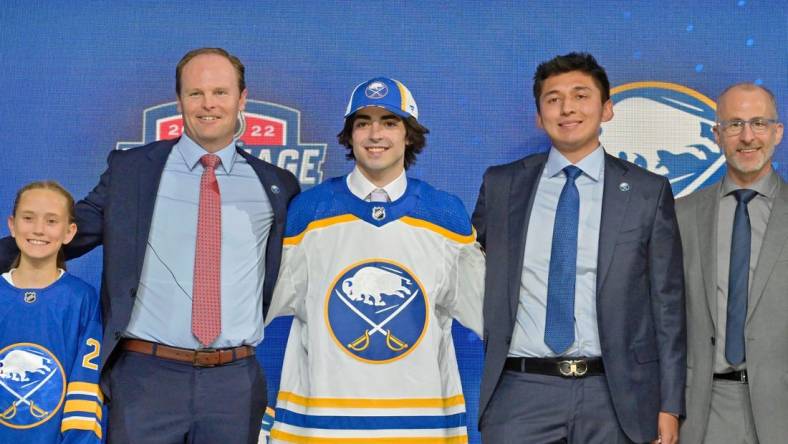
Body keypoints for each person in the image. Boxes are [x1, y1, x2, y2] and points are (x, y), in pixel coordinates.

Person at [1, 48, 300, 444]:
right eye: (195, 93)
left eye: (220, 92)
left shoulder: (277, 185)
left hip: (234, 383)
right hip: (145, 380)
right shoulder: (131, 171)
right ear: (180, 101)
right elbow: (62, 234)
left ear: (242, 98)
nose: (208, 104)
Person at [473, 52, 686, 444]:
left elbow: (668, 308)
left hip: (614, 394)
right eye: (553, 99)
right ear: (539, 116)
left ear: (607, 109)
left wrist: (670, 405)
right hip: (520, 391)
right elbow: (463, 268)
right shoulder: (502, 186)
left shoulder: (645, 192)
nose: (566, 108)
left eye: (580, 96)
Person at [264, 77, 485, 442]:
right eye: (362, 123)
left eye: (389, 122)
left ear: (409, 134)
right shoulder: (309, 212)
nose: (374, 133)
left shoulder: (445, 216)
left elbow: (488, 317)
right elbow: (258, 308)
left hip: (421, 428)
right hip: (321, 428)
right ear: (350, 136)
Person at [677, 83, 785, 444]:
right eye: (734, 124)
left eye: (759, 123)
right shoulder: (681, 216)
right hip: (700, 412)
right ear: (716, 135)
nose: (748, 136)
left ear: (777, 132)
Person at [0, 181, 102, 443]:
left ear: (70, 232)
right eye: (28, 218)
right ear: (12, 225)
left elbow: (85, 388)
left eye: (51, 221)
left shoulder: (82, 299)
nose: (38, 229)